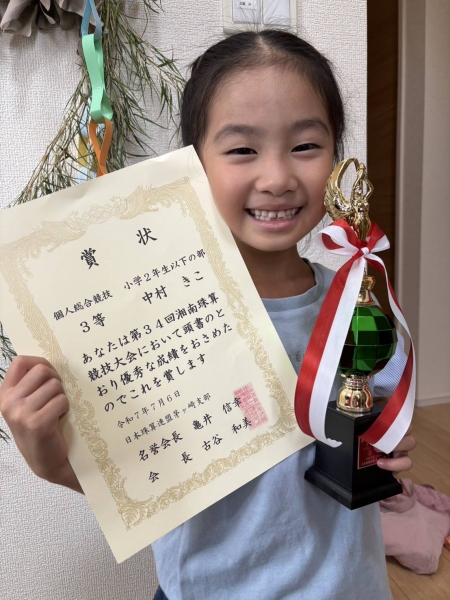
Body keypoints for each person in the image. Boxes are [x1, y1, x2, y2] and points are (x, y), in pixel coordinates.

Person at [0, 30, 415, 600]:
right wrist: (48, 457)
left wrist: (387, 442)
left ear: (338, 159)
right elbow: (140, 481)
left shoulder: (356, 301)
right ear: (192, 166)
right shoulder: (151, 320)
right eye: (242, 150)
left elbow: (381, 415)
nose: (277, 178)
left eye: (305, 145)